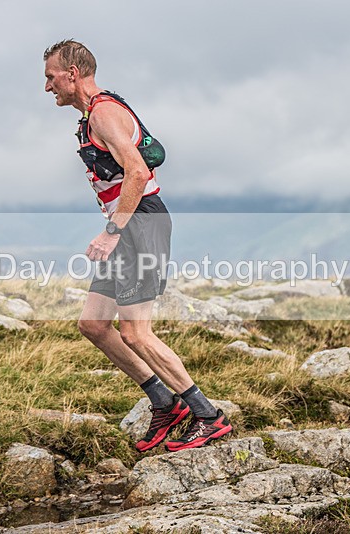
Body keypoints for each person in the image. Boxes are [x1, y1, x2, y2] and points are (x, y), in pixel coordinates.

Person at [43, 39, 232, 452]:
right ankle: (164, 403)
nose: (47, 87)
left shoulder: (105, 113)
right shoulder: (92, 114)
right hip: (131, 225)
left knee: (135, 332)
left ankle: (207, 415)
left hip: (140, 224)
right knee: (93, 325)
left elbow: (137, 172)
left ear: (72, 74)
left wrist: (112, 232)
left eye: (50, 77)